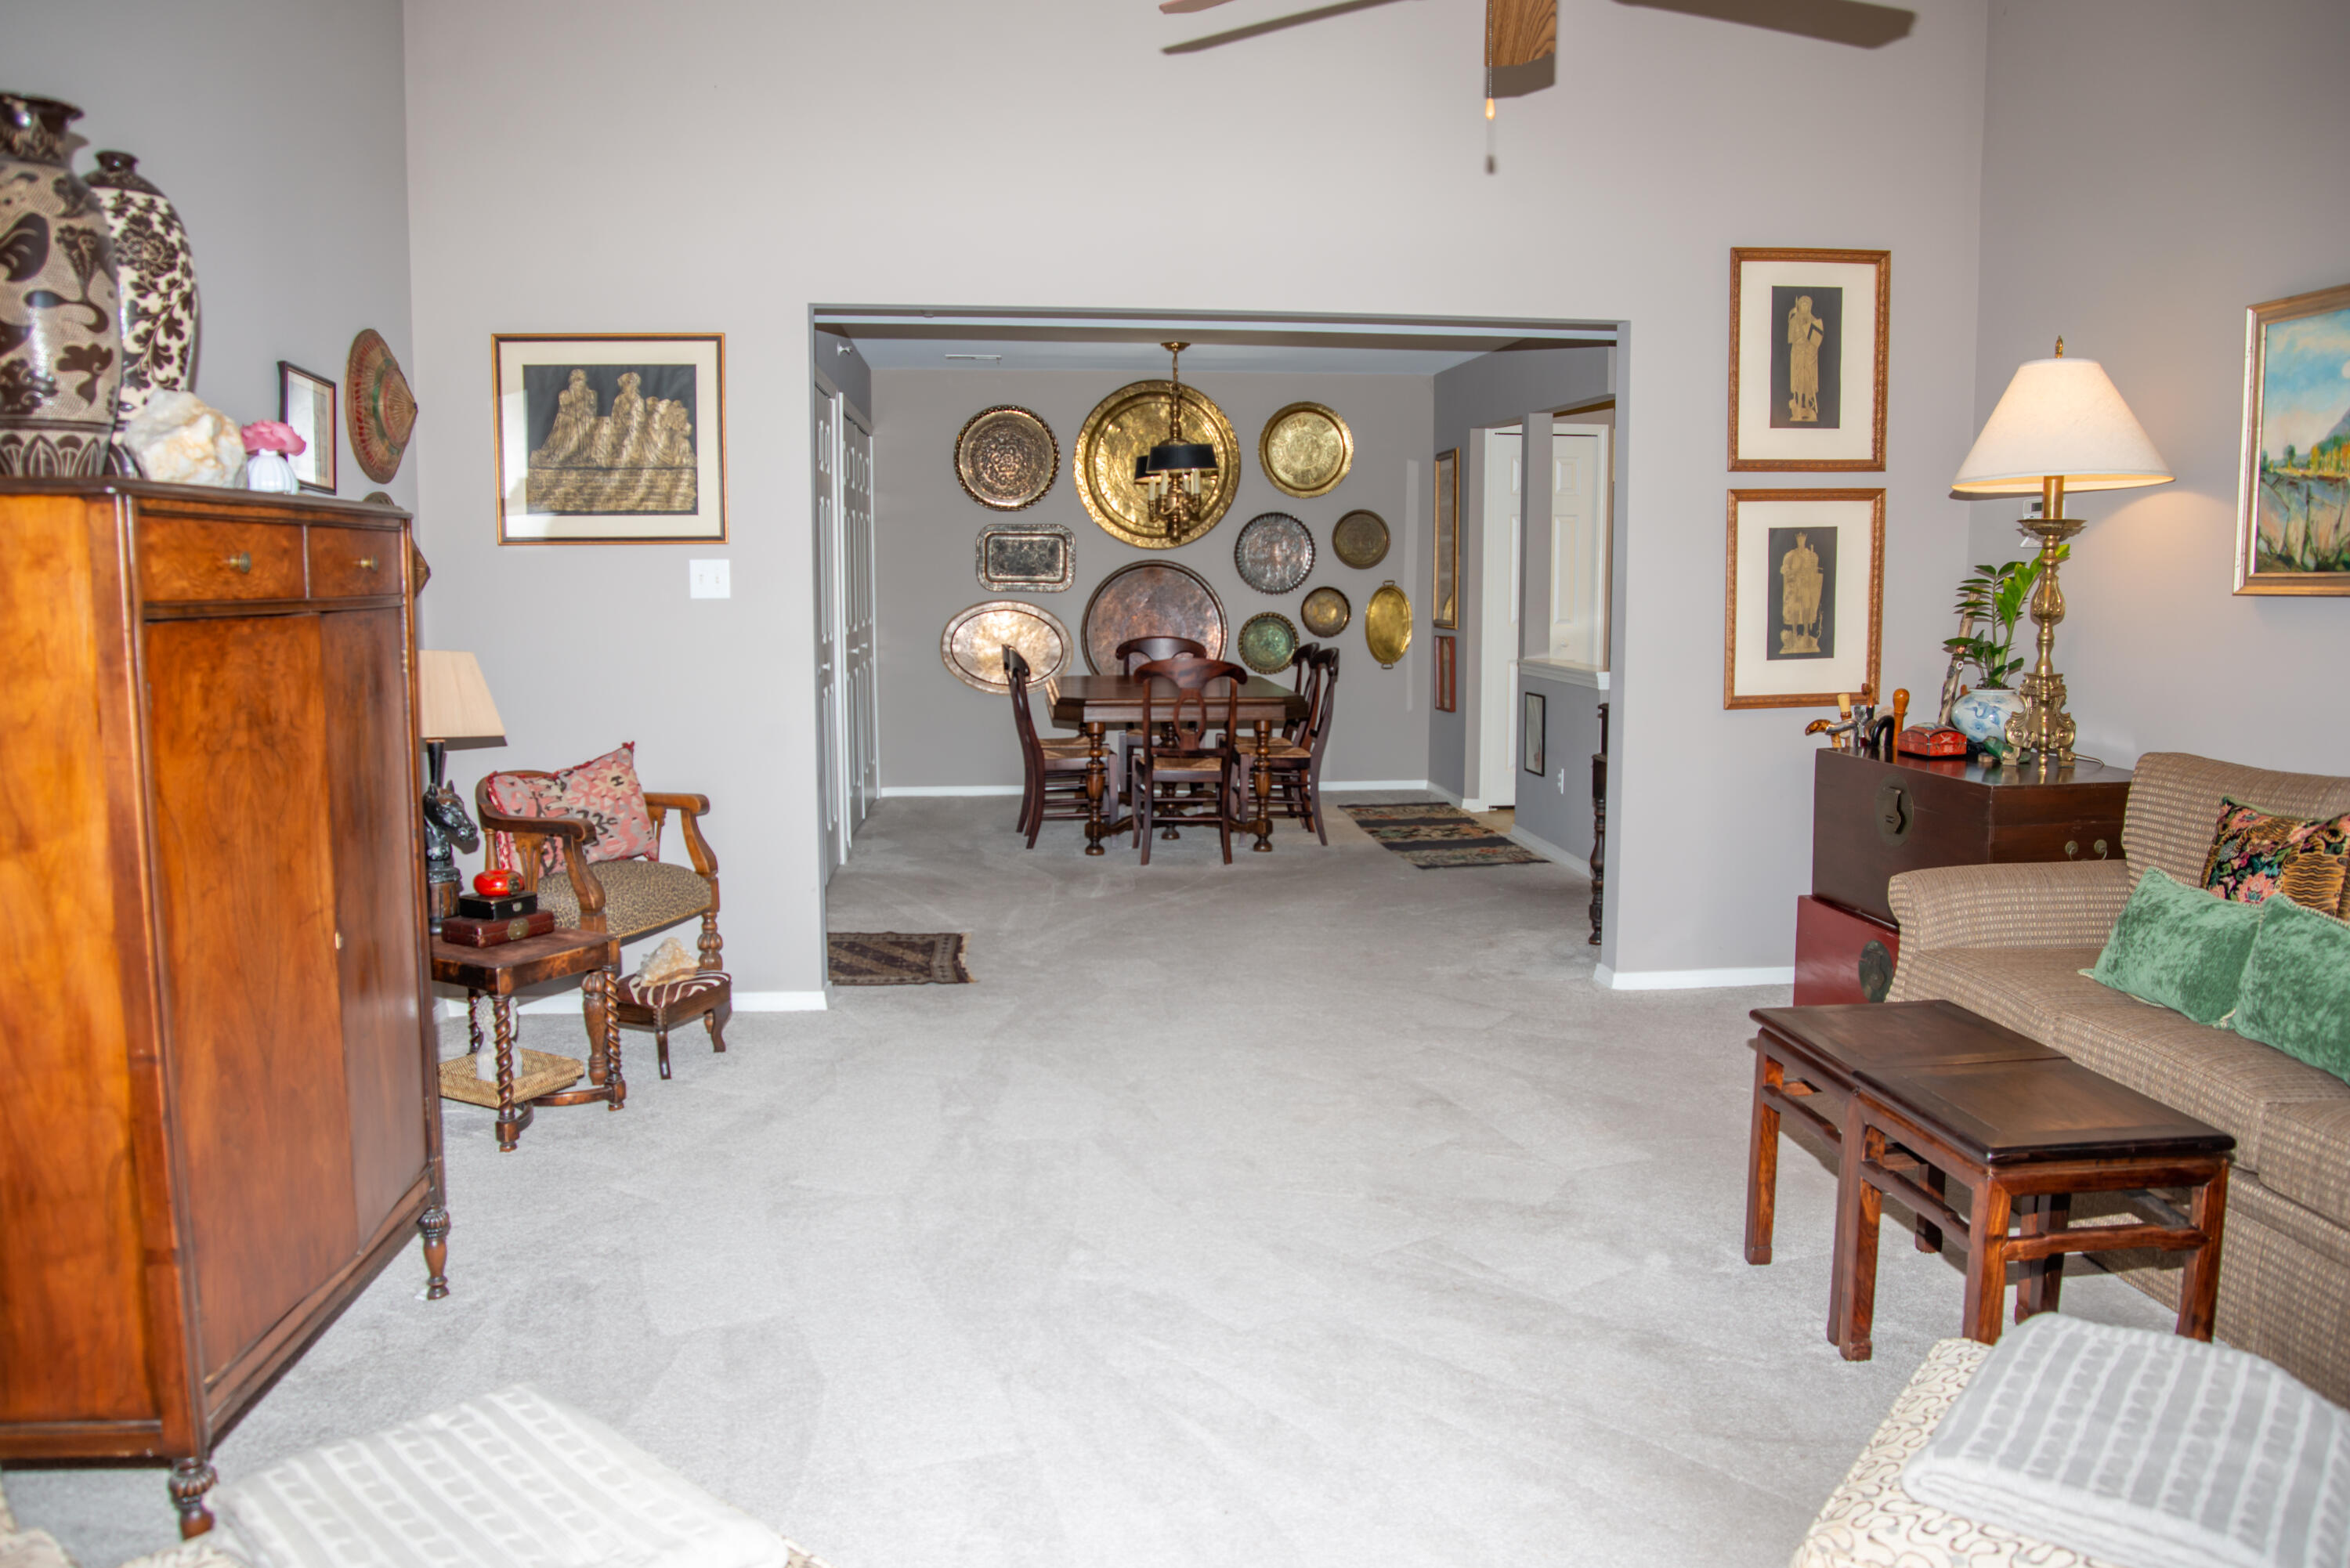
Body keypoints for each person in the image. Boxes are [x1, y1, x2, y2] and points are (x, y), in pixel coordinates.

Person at [1780, 531, 1823, 655]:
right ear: (1796, 540)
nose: (1801, 541)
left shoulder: (1811, 555)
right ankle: (1794, 633)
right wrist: (1792, 572)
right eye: (1799, 539)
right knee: (1794, 609)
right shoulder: (1791, 555)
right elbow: (1784, 569)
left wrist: (1809, 570)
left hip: (1805, 586)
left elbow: (1815, 570)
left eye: (1803, 539)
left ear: (1805, 539)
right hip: (1794, 586)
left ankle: (1805, 633)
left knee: (1806, 608)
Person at [1787, 294, 1825, 424]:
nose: (1804, 306)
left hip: (1809, 356)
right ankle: (1798, 405)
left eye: (1806, 304)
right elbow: (1791, 339)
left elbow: (1816, 340)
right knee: (1798, 380)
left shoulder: (1814, 321)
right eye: (1802, 304)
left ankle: (1808, 407)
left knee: (1808, 381)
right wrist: (1792, 319)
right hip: (1798, 355)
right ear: (1799, 306)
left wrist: (1810, 350)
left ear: (1809, 306)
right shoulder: (1795, 320)